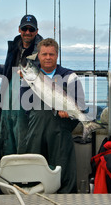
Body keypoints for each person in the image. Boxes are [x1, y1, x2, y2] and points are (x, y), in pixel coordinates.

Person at [23, 38, 85, 193]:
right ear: (38, 56)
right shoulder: (30, 77)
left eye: (51, 54)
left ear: (57, 55)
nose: (48, 57)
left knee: (63, 170)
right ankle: (34, 198)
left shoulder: (70, 76)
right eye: (44, 54)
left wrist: (69, 114)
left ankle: (67, 199)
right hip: (36, 131)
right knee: (35, 169)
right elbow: (24, 105)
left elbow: (81, 104)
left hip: (61, 131)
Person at [0, 15, 43, 158]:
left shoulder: (41, 50)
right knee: (6, 138)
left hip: (27, 103)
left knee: (24, 140)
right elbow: (10, 70)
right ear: (19, 29)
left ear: (36, 31)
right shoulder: (14, 46)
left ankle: (24, 176)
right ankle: (6, 172)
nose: (27, 32)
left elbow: (44, 74)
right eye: (24, 28)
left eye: (31, 29)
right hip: (7, 101)